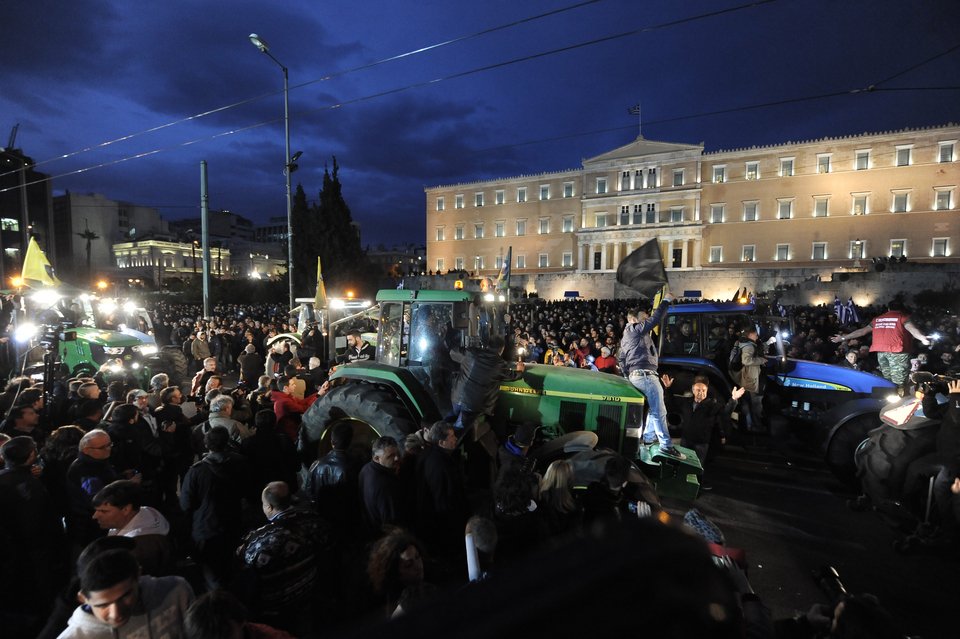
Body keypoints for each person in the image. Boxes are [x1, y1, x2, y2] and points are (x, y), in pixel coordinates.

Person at [237, 482, 332, 629]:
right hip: (311, 591)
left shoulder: (258, 541)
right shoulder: (313, 517)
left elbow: (246, 571)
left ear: (269, 507)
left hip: (276, 608)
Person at [0, 436, 69, 627]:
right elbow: (40, 520)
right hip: (33, 551)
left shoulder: (12, 478)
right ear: (31, 455)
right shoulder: (29, 484)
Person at [58, 548, 194, 638]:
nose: (116, 613)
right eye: (102, 605)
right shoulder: (76, 636)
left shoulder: (177, 591)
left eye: (125, 597)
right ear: (83, 598)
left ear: (138, 576)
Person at [180, 426, 249, 590]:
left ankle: (219, 601)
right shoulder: (241, 462)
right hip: (234, 520)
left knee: (212, 571)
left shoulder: (197, 471)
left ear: (206, 444)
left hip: (207, 527)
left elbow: (186, 504)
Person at [618, 294, 685, 459]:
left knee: (655, 410)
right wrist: (666, 301)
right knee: (660, 411)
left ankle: (648, 439)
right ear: (634, 320)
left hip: (640, 374)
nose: (647, 321)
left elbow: (621, 359)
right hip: (645, 375)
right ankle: (666, 446)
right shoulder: (633, 330)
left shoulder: (629, 336)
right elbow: (655, 320)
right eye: (644, 319)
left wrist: (629, 376)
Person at [662, 374, 744, 489]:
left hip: (701, 443)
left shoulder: (712, 405)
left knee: (698, 467)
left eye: (703, 390)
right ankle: (682, 485)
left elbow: (725, 413)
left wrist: (733, 400)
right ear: (693, 389)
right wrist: (668, 388)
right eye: (698, 390)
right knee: (684, 464)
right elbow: (671, 403)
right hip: (686, 440)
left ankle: (697, 487)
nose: (701, 392)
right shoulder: (686, 402)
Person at [832, 299, 931, 393]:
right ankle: (899, 402)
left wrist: (843, 338)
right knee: (899, 381)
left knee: (887, 379)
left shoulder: (878, 319)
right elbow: (912, 329)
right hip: (897, 352)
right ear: (901, 309)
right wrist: (922, 338)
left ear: (888, 309)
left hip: (881, 353)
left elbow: (862, 331)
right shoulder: (903, 317)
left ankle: (888, 399)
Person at [92, 480, 174, 576]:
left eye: (103, 511)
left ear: (126, 509)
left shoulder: (137, 549)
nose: (95, 516)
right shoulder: (147, 511)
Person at [415, 421, 468, 555]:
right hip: (444, 525)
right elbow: (443, 499)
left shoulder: (429, 455)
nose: (455, 439)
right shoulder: (441, 465)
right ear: (441, 442)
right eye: (451, 437)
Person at [306, 420, 362, 540]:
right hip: (345, 520)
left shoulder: (317, 464)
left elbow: (309, 492)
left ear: (332, 442)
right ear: (350, 441)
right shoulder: (354, 466)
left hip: (323, 517)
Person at [358, 435, 411, 535]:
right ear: (376, 458)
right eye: (390, 456)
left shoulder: (366, 469)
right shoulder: (385, 484)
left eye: (397, 454)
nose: (396, 458)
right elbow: (391, 522)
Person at [730, 326, 772, 434]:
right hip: (752, 378)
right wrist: (762, 360)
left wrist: (767, 343)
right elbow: (747, 360)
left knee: (747, 402)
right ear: (750, 335)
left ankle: (748, 424)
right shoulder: (749, 346)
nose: (757, 336)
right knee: (757, 403)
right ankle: (757, 427)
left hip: (747, 377)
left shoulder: (743, 343)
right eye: (755, 334)